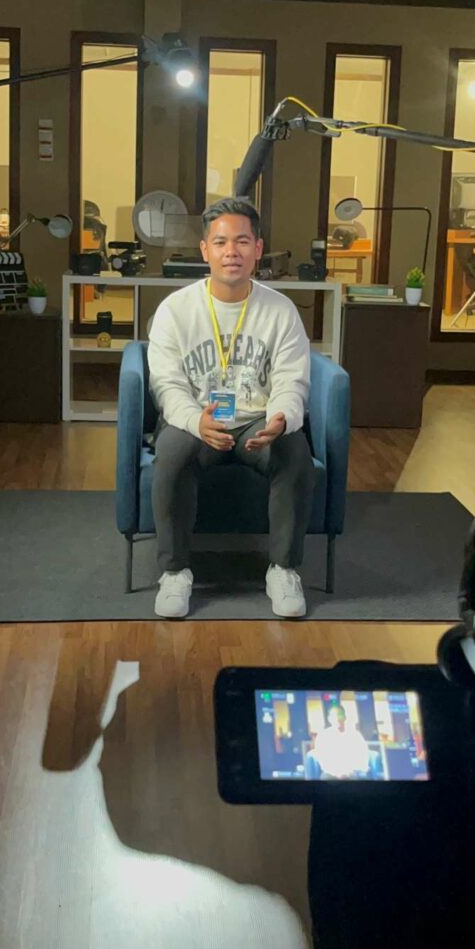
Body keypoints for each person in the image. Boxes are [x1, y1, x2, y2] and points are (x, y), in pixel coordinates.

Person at [147, 197, 316, 619]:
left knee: (294, 451)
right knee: (171, 452)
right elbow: (166, 383)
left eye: (242, 241)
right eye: (220, 242)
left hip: (257, 421)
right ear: (205, 250)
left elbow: (291, 378)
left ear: (258, 249)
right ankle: (175, 573)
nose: (231, 252)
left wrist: (281, 418)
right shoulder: (174, 310)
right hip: (196, 420)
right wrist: (194, 421)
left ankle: (283, 570)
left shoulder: (281, 311)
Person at [311, 704, 370, 778]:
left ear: (345, 717)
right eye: (334, 716)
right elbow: (323, 760)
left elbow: (363, 755)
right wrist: (336, 772)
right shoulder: (323, 736)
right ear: (329, 719)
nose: (337, 718)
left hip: (352, 773)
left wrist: (351, 771)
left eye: (340, 715)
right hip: (331, 774)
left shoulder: (355, 735)